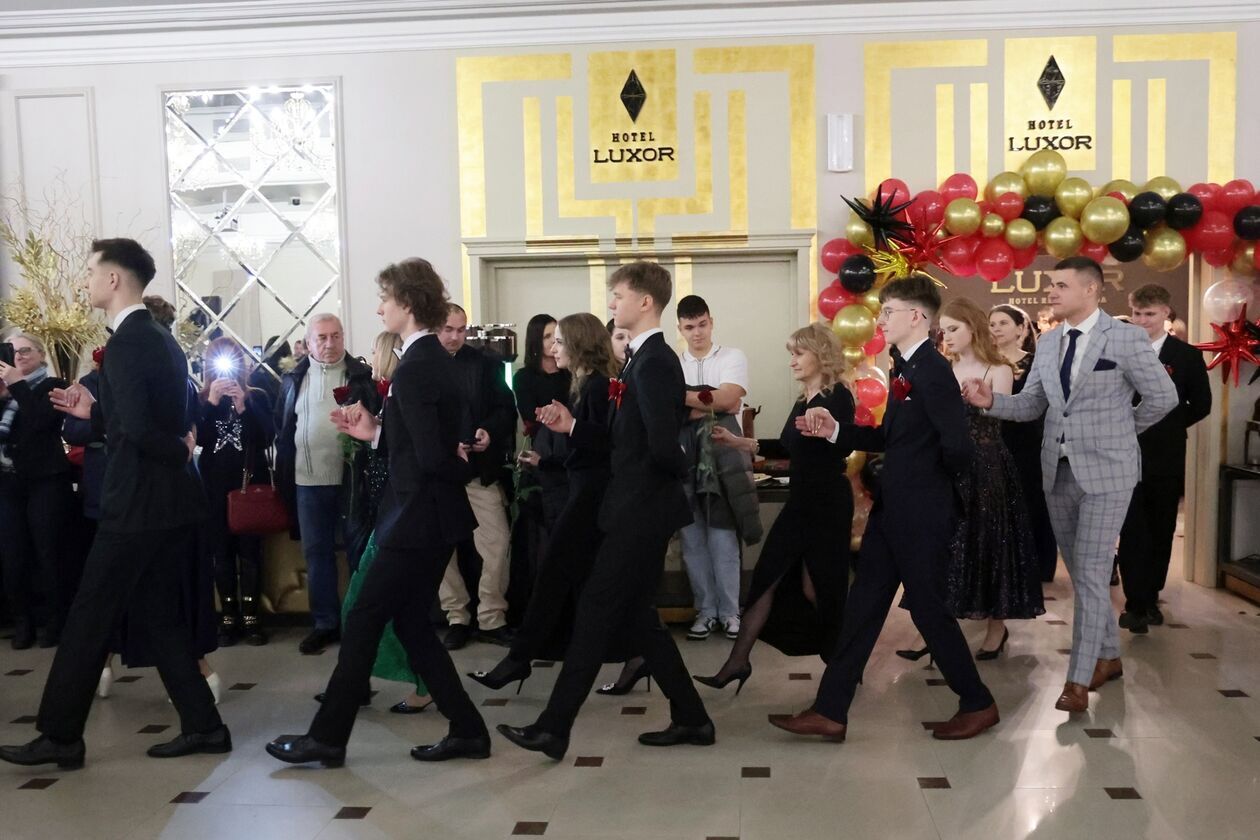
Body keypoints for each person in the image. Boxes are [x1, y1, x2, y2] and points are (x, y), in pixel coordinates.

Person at [1, 238, 228, 769]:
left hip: (137, 504)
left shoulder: (128, 342)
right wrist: (96, 412)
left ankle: (60, 735)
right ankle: (204, 725)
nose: (83, 280)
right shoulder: (158, 337)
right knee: (159, 615)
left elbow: (145, 430)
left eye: (89, 271)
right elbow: (139, 419)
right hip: (165, 502)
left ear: (113, 279)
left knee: (88, 615)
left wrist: (176, 449)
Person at [266, 258, 489, 767]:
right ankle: (469, 730)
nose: (379, 308)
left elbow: (431, 457)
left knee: (365, 617)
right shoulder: (431, 360)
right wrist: (376, 433)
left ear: (406, 303)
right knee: (410, 624)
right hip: (431, 517)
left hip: (415, 520)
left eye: (385, 299)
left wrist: (456, 462)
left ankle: (327, 737)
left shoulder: (415, 366)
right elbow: (427, 444)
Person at [497, 261, 714, 761]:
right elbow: (625, 439)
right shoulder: (640, 359)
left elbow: (661, 444)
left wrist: (671, 478)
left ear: (645, 302)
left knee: (596, 609)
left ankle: (554, 728)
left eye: (618, 295)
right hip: (633, 506)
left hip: (640, 510)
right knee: (638, 618)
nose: (611, 302)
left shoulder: (654, 361)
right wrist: (574, 426)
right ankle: (692, 717)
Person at [771, 273, 997, 743]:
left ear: (916, 316)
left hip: (919, 514)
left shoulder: (933, 371)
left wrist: (931, 493)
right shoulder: (906, 369)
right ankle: (830, 710)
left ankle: (977, 702)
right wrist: (836, 431)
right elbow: (892, 438)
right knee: (863, 607)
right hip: (893, 510)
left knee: (929, 611)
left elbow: (958, 448)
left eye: (888, 312)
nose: (881, 320)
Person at [963, 257, 1178, 713]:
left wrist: (1121, 433)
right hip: (1057, 472)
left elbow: (1163, 397)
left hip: (1108, 473)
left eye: (1061, 285)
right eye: (1051, 285)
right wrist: (991, 401)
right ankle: (1110, 657)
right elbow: (1031, 405)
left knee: (1094, 571)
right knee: (1083, 574)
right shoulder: (1049, 342)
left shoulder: (1125, 337)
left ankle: (1077, 680)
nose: (1051, 292)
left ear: (1091, 290)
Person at [693, 323, 854, 694]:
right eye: (791, 354)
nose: (792, 361)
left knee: (818, 588)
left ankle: (843, 662)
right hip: (802, 503)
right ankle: (737, 662)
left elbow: (841, 445)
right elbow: (787, 446)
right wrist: (738, 442)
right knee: (767, 578)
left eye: (799, 353)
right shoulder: (803, 398)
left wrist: (821, 430)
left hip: (826, 504)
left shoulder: (838, 396)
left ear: (820, 355)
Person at [470, 312, 620, 691]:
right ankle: (525, 659)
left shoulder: (598, 386)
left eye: (560, 341)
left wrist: (569, 427)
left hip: (588, 496)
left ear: (579, 345)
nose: (554, 348)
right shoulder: (583, 384)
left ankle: (521, 661)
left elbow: (607, 444)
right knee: (570, 580)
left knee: (558, 576)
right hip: (579, 491)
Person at [919, 298, 1044, 658]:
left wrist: (976, 401)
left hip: (986, 465)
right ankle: (937, 627)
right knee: (946, 546)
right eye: (943, 330)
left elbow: (1001, 413)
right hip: (947, 467)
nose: (946, 336)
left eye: (953, 329)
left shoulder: (997, 368)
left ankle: (996, 627)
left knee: (989, 544)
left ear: (973, 328)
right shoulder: (943, 368)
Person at [275, 314, 380, 654]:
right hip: (306, 481)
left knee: (357, 552)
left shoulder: (361, 376)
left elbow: (377, 423)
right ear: (308, 342)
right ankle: (325, 624)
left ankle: (359, 624)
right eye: (322, 337)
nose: (330, 343)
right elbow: (282, 427)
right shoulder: (293, 378)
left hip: (352, 481)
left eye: (335, 335)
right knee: (316, 554)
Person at [1115, 284, 1211, 633]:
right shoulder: (1119, 352)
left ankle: (1150, 595)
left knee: (1161, 526)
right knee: (1130, 528)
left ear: (1166, 314)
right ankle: (1135, 602)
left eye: (1150, 314)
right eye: (1137, 314)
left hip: (1165, 454)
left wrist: (1168, 424)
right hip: (1123, 451)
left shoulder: (1186, 356)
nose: (1142, 321)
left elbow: (1202, 404)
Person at [437, 303, 518, 649]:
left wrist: (488, 431)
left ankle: (491, 616)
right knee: (442, 550)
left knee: (497, 542)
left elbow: (505, 408)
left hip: (477, 470)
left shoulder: (485, 364)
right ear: (435, 328)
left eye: (461, 330)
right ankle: (456, 616)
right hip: (440, 472)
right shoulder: (421, 365)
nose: (455, 337)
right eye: (448, 329)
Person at [674, 295, 753, 642]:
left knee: (723, 536)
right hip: (683, 456)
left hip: (724, 453)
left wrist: (685, 399)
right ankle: (705, 611)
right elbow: (715, 402)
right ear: (680, 328)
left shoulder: (732, 356)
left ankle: (730, 612)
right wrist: (713, 401)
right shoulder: (672, 364)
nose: (697, 332)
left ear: (711, 321)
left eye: (702, 324)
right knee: (692, 538)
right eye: (690, 327)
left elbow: (730, 399)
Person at [197, 338, 276, 646]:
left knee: (250, 552)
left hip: (249, 486)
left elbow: (266, 436)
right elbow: (198, 437)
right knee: (221, 553)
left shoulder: (257, 395)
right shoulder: (202, 398)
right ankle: (228, 618)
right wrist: (212, 402)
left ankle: (252, 617)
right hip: (214, 487)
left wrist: (243, 406)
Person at [0, 333, 76, 649]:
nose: (18, 356)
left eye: (25, 350)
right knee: (13, 555)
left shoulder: (53, 385)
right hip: (9, 482)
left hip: (46, 480)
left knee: (48, 552)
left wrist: (17, 385)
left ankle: (55, 622)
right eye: (11, 351)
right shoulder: (3, 391)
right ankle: (22, 621)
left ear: (41, 354)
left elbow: (40, 422)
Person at [989, 304, 1058, 582]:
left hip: (1028, 440)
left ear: (1021, 328)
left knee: (1032, 500)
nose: (996, 329)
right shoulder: (985, 361)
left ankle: (1038, 564)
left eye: (1003, 323)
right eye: (992, 324)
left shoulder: (1035, 362)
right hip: (993, 438)